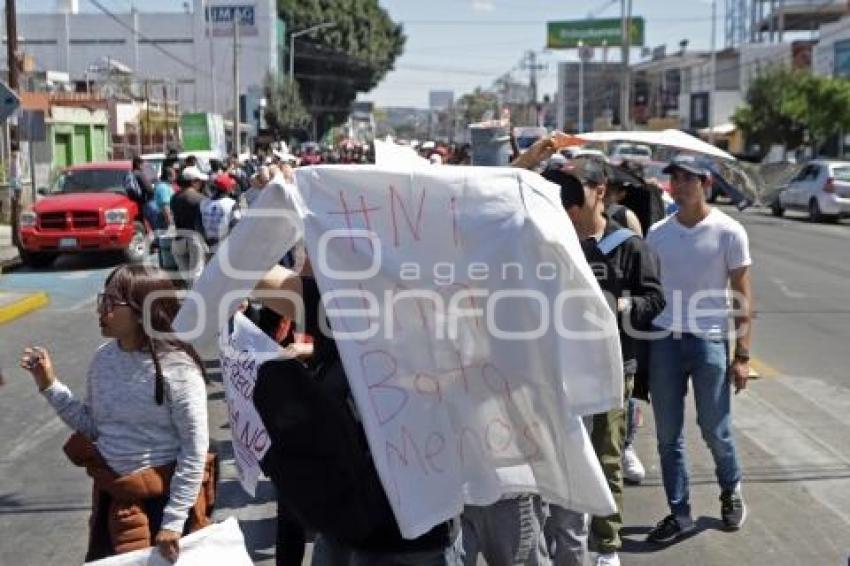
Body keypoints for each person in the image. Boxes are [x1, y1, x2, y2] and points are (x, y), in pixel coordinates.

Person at [19, 264, 211, 563]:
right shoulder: (103, 359)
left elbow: (194, 449)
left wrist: (173, 522)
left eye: (111, 303)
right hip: (113, 502)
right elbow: (94, 427)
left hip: (165, 505)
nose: (101, 311)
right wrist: (49, 385)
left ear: (142, 309)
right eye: (101, 300)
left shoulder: (179, 368)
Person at [540, 161, 665, 566]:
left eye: (576, 195)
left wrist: (623, 305)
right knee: (559, 454)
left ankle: (606, 544)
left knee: (606, 456)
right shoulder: (556, 241)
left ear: (599, 191)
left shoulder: (628, 245)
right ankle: (561, 535)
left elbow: (655, 299)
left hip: (613, 365)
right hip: (560, 366)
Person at [644, 155, 752, 543]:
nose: (682, 184)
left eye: (690, 178)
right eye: (676, 178)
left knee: (714, 428)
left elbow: (741, 294)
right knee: (667, 435)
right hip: (664, 341)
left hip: (708, 341)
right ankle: (680, 512)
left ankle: (731, 488)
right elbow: (649, 289)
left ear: (706, 183)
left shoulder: (728, 231)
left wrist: (742, 356)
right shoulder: (657, 233)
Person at [169, 166, 209, 286]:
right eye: (200, 181)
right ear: (194, 182)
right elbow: (204, 222)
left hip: (178, 239)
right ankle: (197, 302)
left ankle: (192, 301)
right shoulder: (200, 199)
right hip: (195, 239)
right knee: (197, 275)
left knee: (188, 278)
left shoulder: (174, 198)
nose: (202, 184)